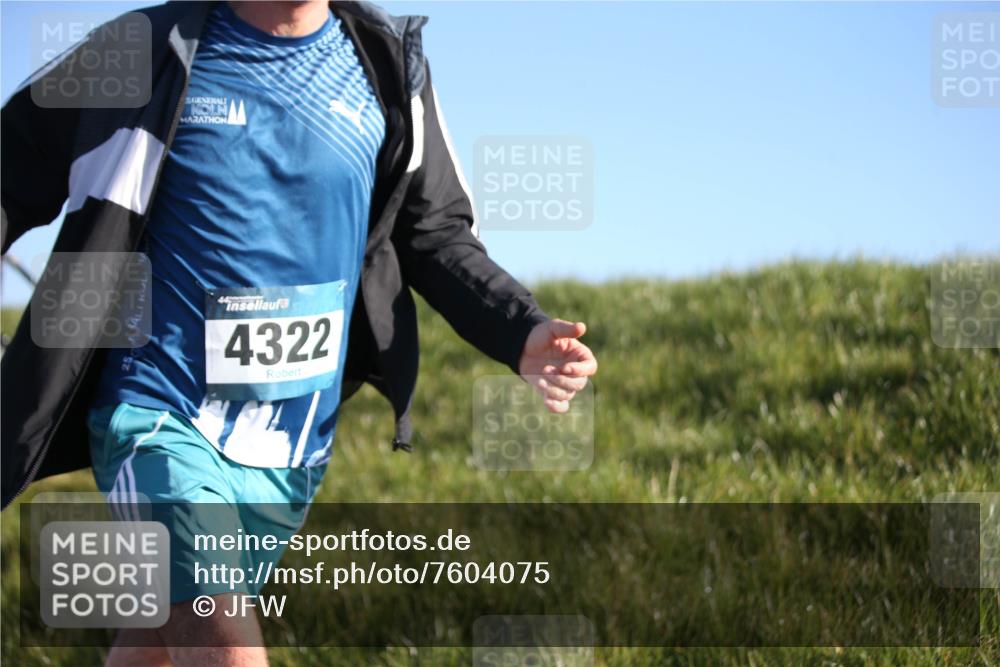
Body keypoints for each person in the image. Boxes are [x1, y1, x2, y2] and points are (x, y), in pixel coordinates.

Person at [0, 1, 597, 665]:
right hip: (159, 414)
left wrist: (521, 330)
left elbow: (434, 233)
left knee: (157, 649)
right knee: (224, 643)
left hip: (287, 449)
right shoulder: (142, 49)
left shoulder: (387, 66)